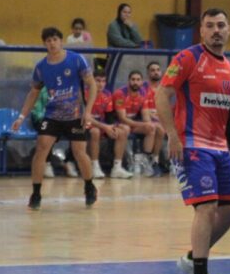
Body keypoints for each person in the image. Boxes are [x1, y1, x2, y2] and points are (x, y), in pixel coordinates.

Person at [155, 8, 230, 274]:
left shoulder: (227, 68)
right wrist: (171, 134)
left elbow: (226, 115)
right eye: (209, 26)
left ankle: (191, 257)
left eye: (221, 25)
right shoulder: (188, 58)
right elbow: (162, 94)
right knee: (206, 207)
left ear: (229, 30)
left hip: (219, 148)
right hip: (192, 145)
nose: (216, 30)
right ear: (202, 32)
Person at [12, 27, 99, 210]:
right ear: (44, 44)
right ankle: (36, 193)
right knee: (41, 147)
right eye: (48, 40)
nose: (52, 43)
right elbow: (33, 92)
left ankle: (89, 186)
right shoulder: (41, 67)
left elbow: (92, 84)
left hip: (75, 115)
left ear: (61, 41)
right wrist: (21, 117)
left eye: (54, 39)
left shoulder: (76, 60)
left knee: (78, 151)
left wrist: (88, 111)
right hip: (52, 115)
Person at [113, 70, 164, 176]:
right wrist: (142, 124)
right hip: (118, 123)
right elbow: (122, 118)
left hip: (133, 124)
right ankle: (124, 163)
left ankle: (145, 160)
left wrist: (149, 124)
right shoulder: (120, 93)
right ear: (128, 81)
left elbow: (145, 116)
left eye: (138, 80)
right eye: (133, 80)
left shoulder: (142, 93)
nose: (135, 82)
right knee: (126, 128)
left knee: (152, 128)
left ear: (142, 82)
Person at [86, 69, 133, 179]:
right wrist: (106, 127)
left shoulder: (107, 94)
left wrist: (113, 127)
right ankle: (95, 166)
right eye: (98, 81)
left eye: (103, 81)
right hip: (86, 124)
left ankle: (117, 167)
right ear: (91, 81)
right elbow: (85, 117)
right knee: (95, 132)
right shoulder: (85, 93)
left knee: (123, 130)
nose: (101, 84)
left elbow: (109, 116)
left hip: (101, 124)